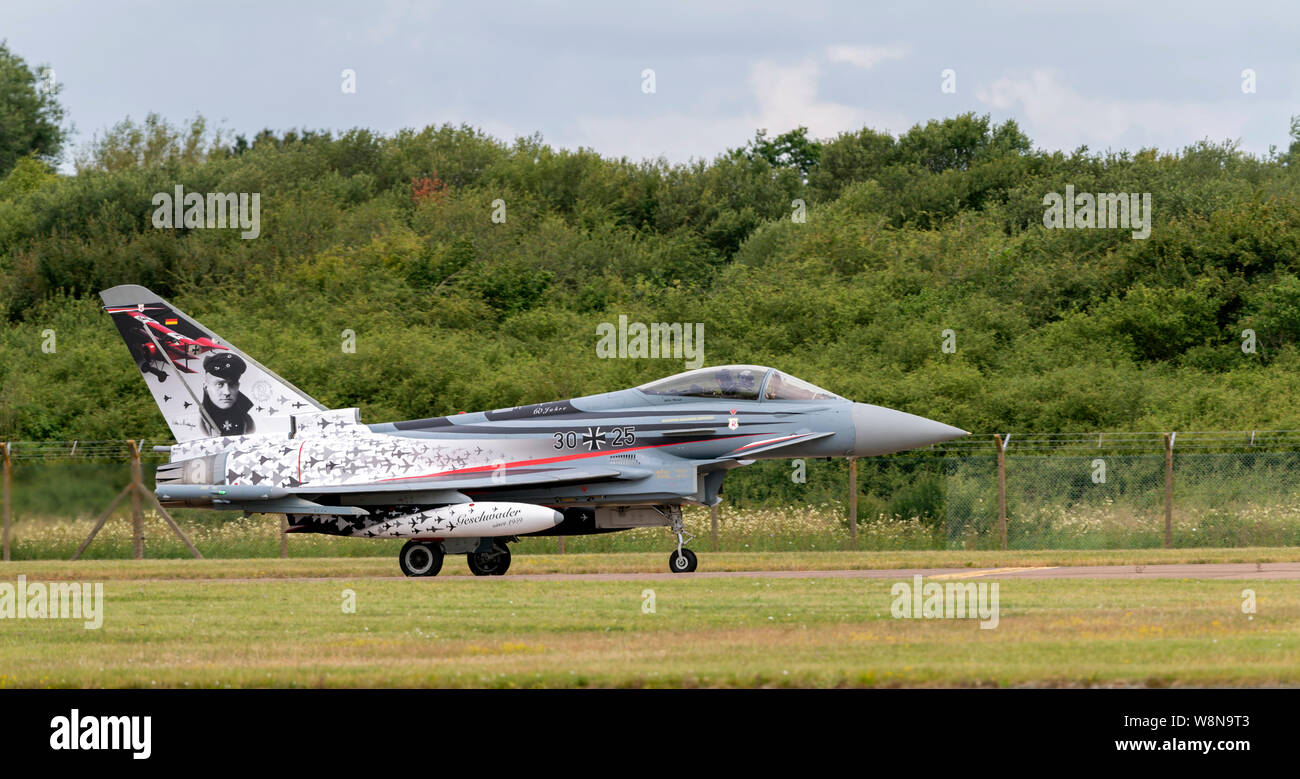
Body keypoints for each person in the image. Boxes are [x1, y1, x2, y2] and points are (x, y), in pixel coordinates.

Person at [199, 352, 256, 436]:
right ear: (205, 387)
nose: (227, 392)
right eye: (219, 384)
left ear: (238, 386)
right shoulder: (203, 422)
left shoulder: (247, 421)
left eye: (232, 384)